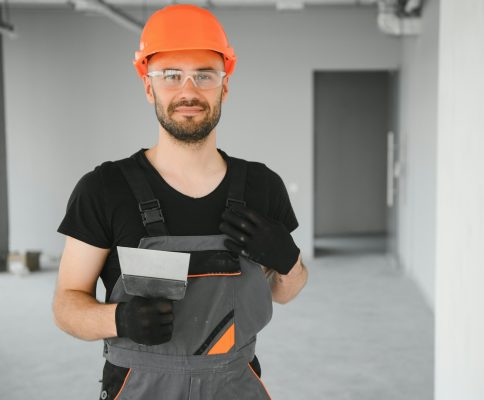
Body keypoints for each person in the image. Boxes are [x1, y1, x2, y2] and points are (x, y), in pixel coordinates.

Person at [51, 4, 308, 400]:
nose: (188, 91)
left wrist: (288, 261)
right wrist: (118, 318)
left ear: (224, 85)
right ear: (148, 85)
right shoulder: (103, 188)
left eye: (204, 75)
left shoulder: (262, 186)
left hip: (235, 385)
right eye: (171, 75)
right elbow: (66, 306)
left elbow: (285, 292)